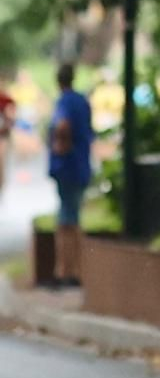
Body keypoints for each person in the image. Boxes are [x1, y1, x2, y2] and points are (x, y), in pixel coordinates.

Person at [48, 63, 94, 288]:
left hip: (67, 167)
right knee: (73, 216)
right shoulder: (82, 101)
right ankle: (74, 270)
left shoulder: (64, 102)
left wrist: (59, 147)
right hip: (80, 165)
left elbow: (62, 125)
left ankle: (65, 271)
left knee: (66, 220)